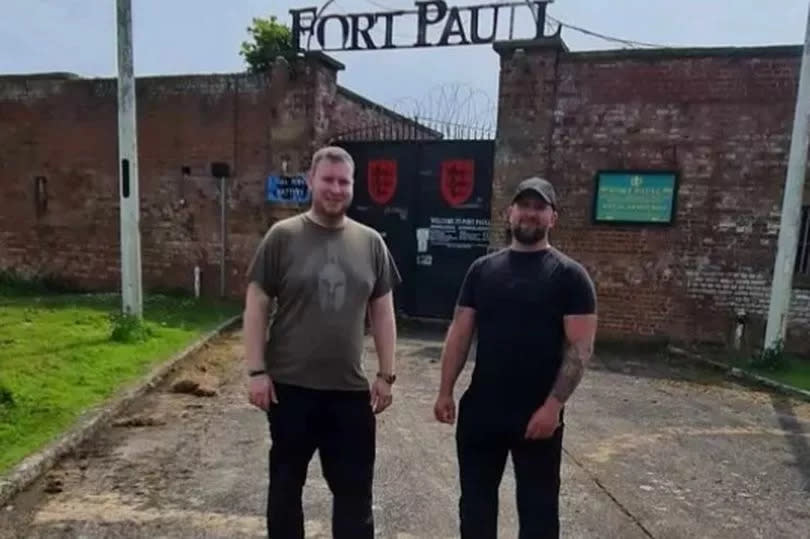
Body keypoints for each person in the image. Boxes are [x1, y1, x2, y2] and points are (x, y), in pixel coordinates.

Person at [243, 145, 401, 539]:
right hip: (289, 390)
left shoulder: (371, 243)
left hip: (349, 393)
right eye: (327, 179)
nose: (335, 188)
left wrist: (386, 374)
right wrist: (256, 371)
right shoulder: (283, 236)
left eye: (343, 181)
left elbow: (382, 313)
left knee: (355, 495)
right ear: (311, 181)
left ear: (353, 186)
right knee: (285, 489)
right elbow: (257, 304)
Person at [433, 176, 597, 539]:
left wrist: (553, 407)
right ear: (509, 213)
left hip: (537, 417)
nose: (530, 214)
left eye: (540, 207)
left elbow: (580, 348)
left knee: (539, 516)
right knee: (475, 510)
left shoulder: (570, 277)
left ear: (553, 218)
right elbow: (460, 333)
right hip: (481, 412)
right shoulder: (482, 270)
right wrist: (446, 390)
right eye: (524, 206)